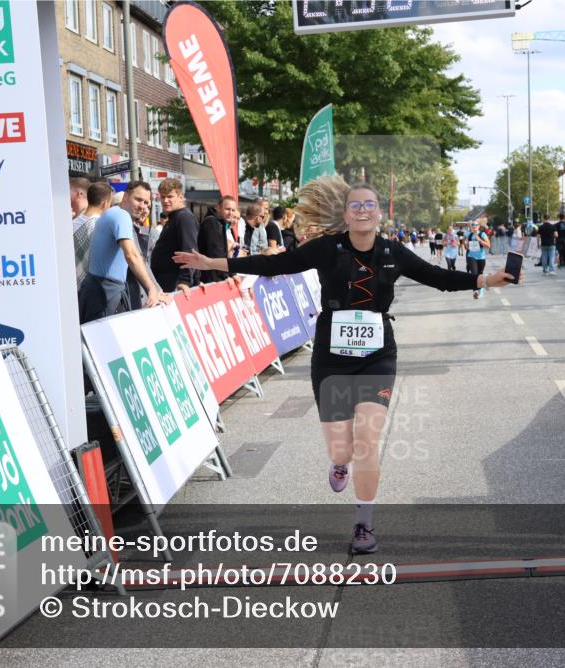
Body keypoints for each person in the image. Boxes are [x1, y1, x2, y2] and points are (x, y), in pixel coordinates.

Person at [172, 177, 516, 554]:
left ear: (379, 214)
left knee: (368, 442)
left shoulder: (393, 251)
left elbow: (438, 277)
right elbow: (275, 264)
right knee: (342, 448)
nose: (364, 210)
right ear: (346, 215)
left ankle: (364, 525)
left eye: (370, 204)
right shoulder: (325, 249)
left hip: (377, 355)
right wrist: (211, 262)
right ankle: (340, 462)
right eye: (356, 205)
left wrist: (486, 279)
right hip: (332, 357)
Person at [78, 181, 170, 323]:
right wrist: (152, 289)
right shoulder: (121, 215)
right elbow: (132, 255)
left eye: (146, 203)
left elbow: (137, 258)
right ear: (125, 196)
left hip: (104, 292)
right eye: (138, 199)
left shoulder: (116, 215)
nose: (142, 206)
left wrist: (156, 290)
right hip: (103, 294)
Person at [150, 179, 200, 291]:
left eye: (170, 196)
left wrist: (185, 281)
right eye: (162, 197)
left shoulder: (184, 217)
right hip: (167, 282)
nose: (165, 200)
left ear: (180, 197)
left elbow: (189, 251)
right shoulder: (175, 217)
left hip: (175, 284)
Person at [73, 182, 115, 289]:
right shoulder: (101, 225)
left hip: (72, 283)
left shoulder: (72, 223)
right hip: (91, 287)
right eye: (110, 204)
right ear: (105, 203)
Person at [198, 195, 244, 283]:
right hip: (211, 278)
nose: (230, 213)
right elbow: (216, 253)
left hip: (215, 275)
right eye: (227, 209)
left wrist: (232, 274)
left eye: (233, 210)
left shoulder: (221, 223)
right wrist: (225, 276)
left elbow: (224, 254)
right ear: (219, 208)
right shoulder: (212, 222)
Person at [464, 220, 490, 298]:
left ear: (479, 226)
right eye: (473, 225)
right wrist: (465, 244)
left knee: (480, 273)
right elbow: (467, 248)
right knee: (474, 274)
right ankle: (475, 290)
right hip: (471, 256)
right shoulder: (469, 235)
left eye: (476, 225)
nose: (474, 226)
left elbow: (488, 245)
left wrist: (479, 240)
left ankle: (480, 290)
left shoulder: (482, 234)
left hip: (481, 257)